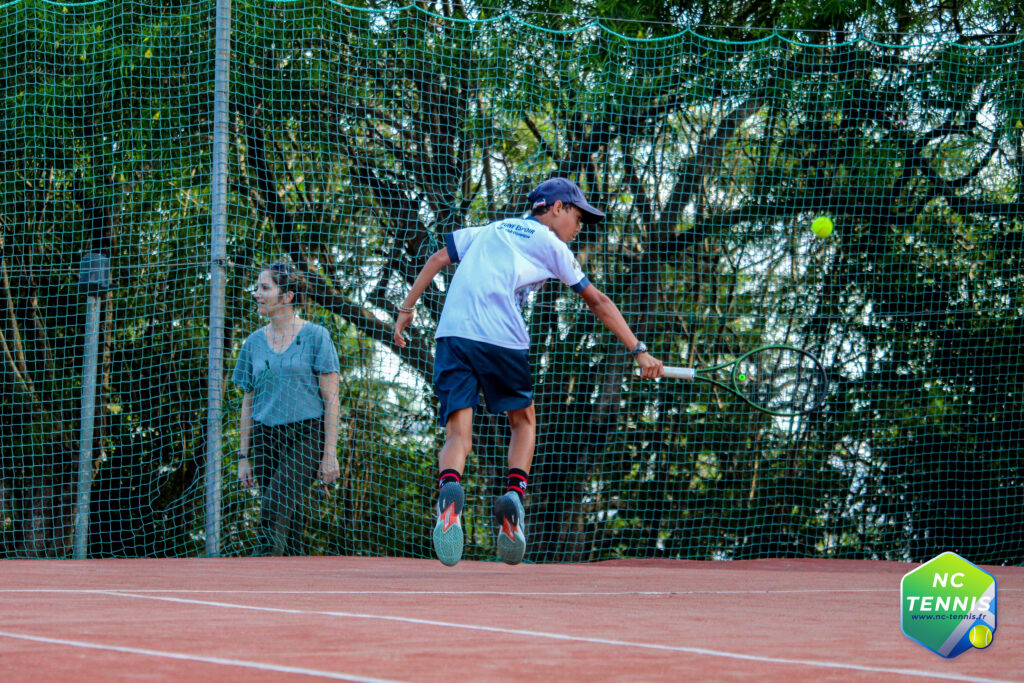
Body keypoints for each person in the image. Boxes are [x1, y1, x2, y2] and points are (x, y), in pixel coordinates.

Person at [393, 177, 663, 567]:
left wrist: (406, 309)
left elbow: (437, 259)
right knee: (524, 423)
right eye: (579, 215)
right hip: (501, 338)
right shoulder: (550, 244)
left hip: (452, 335)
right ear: (556, 208)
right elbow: (598, 301)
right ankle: (514, 495)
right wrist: (638, 350)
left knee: (457, 433)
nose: (581, 225)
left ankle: (449, 493)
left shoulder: (490, 228)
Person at [231, 263, 341, 556]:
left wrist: (329, 453)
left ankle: (262, 564)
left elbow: (331, 399)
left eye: (265, 288)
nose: (257, 294)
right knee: (288, 525)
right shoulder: (252, 343)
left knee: (274, 504)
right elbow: (248, 402)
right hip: (265, 437)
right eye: (257, 288)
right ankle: (292, 586)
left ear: (287, 296)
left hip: (307, 434)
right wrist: (243, 457)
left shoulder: (317, 336)